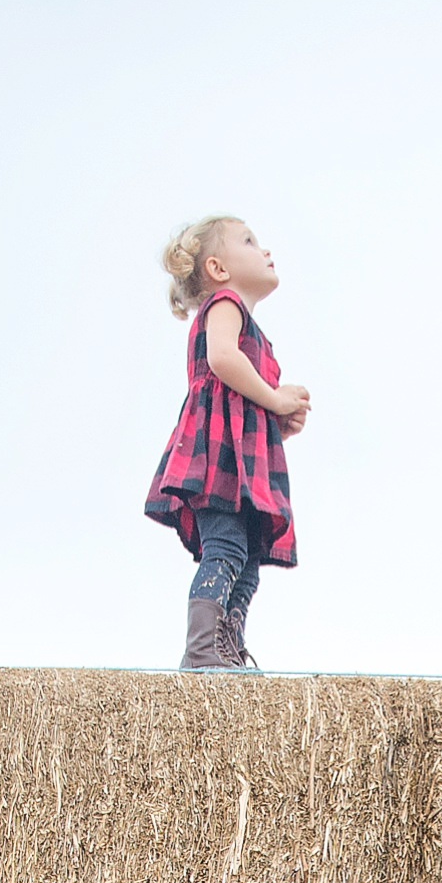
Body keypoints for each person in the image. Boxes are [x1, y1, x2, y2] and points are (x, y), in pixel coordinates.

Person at [146, 219, 310, 671]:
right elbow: (221, 359)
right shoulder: (226, 304)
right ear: (218, 268)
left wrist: (277, 419)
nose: (264, 249)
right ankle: (202, 649)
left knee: (247, 560)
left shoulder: (252, 329)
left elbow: (242, 397)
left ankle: (227, 648)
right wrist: (275, 397)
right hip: (217, 459)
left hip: (240, 459)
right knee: (227, 546)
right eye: (249, 241)